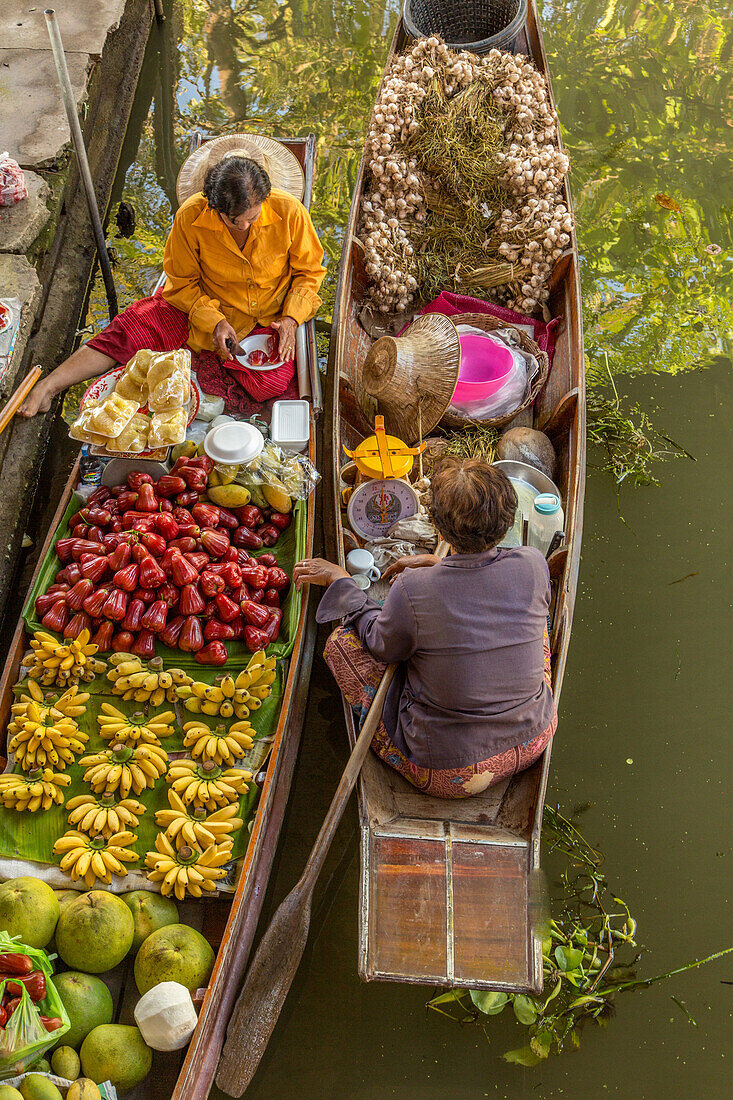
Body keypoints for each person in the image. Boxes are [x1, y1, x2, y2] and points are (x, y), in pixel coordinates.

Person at [293, 458, 557, 799]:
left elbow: (380, 645)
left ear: (440, 530)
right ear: (507, 520)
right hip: (535, 734)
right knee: (537, 624)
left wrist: (341, 581)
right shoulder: (534, 563)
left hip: (450, 772)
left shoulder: (414, 589)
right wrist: (441, 565)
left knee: (342, 643)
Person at [19, 152, 325, 416]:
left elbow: (309, 272)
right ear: (214, 207)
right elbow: (181, 283)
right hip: (201, 309)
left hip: (267, 317)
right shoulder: (191, 217)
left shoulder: (290, 213)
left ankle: (203, 366)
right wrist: (214, 320)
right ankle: (49, 385)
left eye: (253, 217)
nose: (244, 226)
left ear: (265, 199)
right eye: (234, 221)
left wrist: (290, 318)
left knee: (269, 382)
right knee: (132, 326)